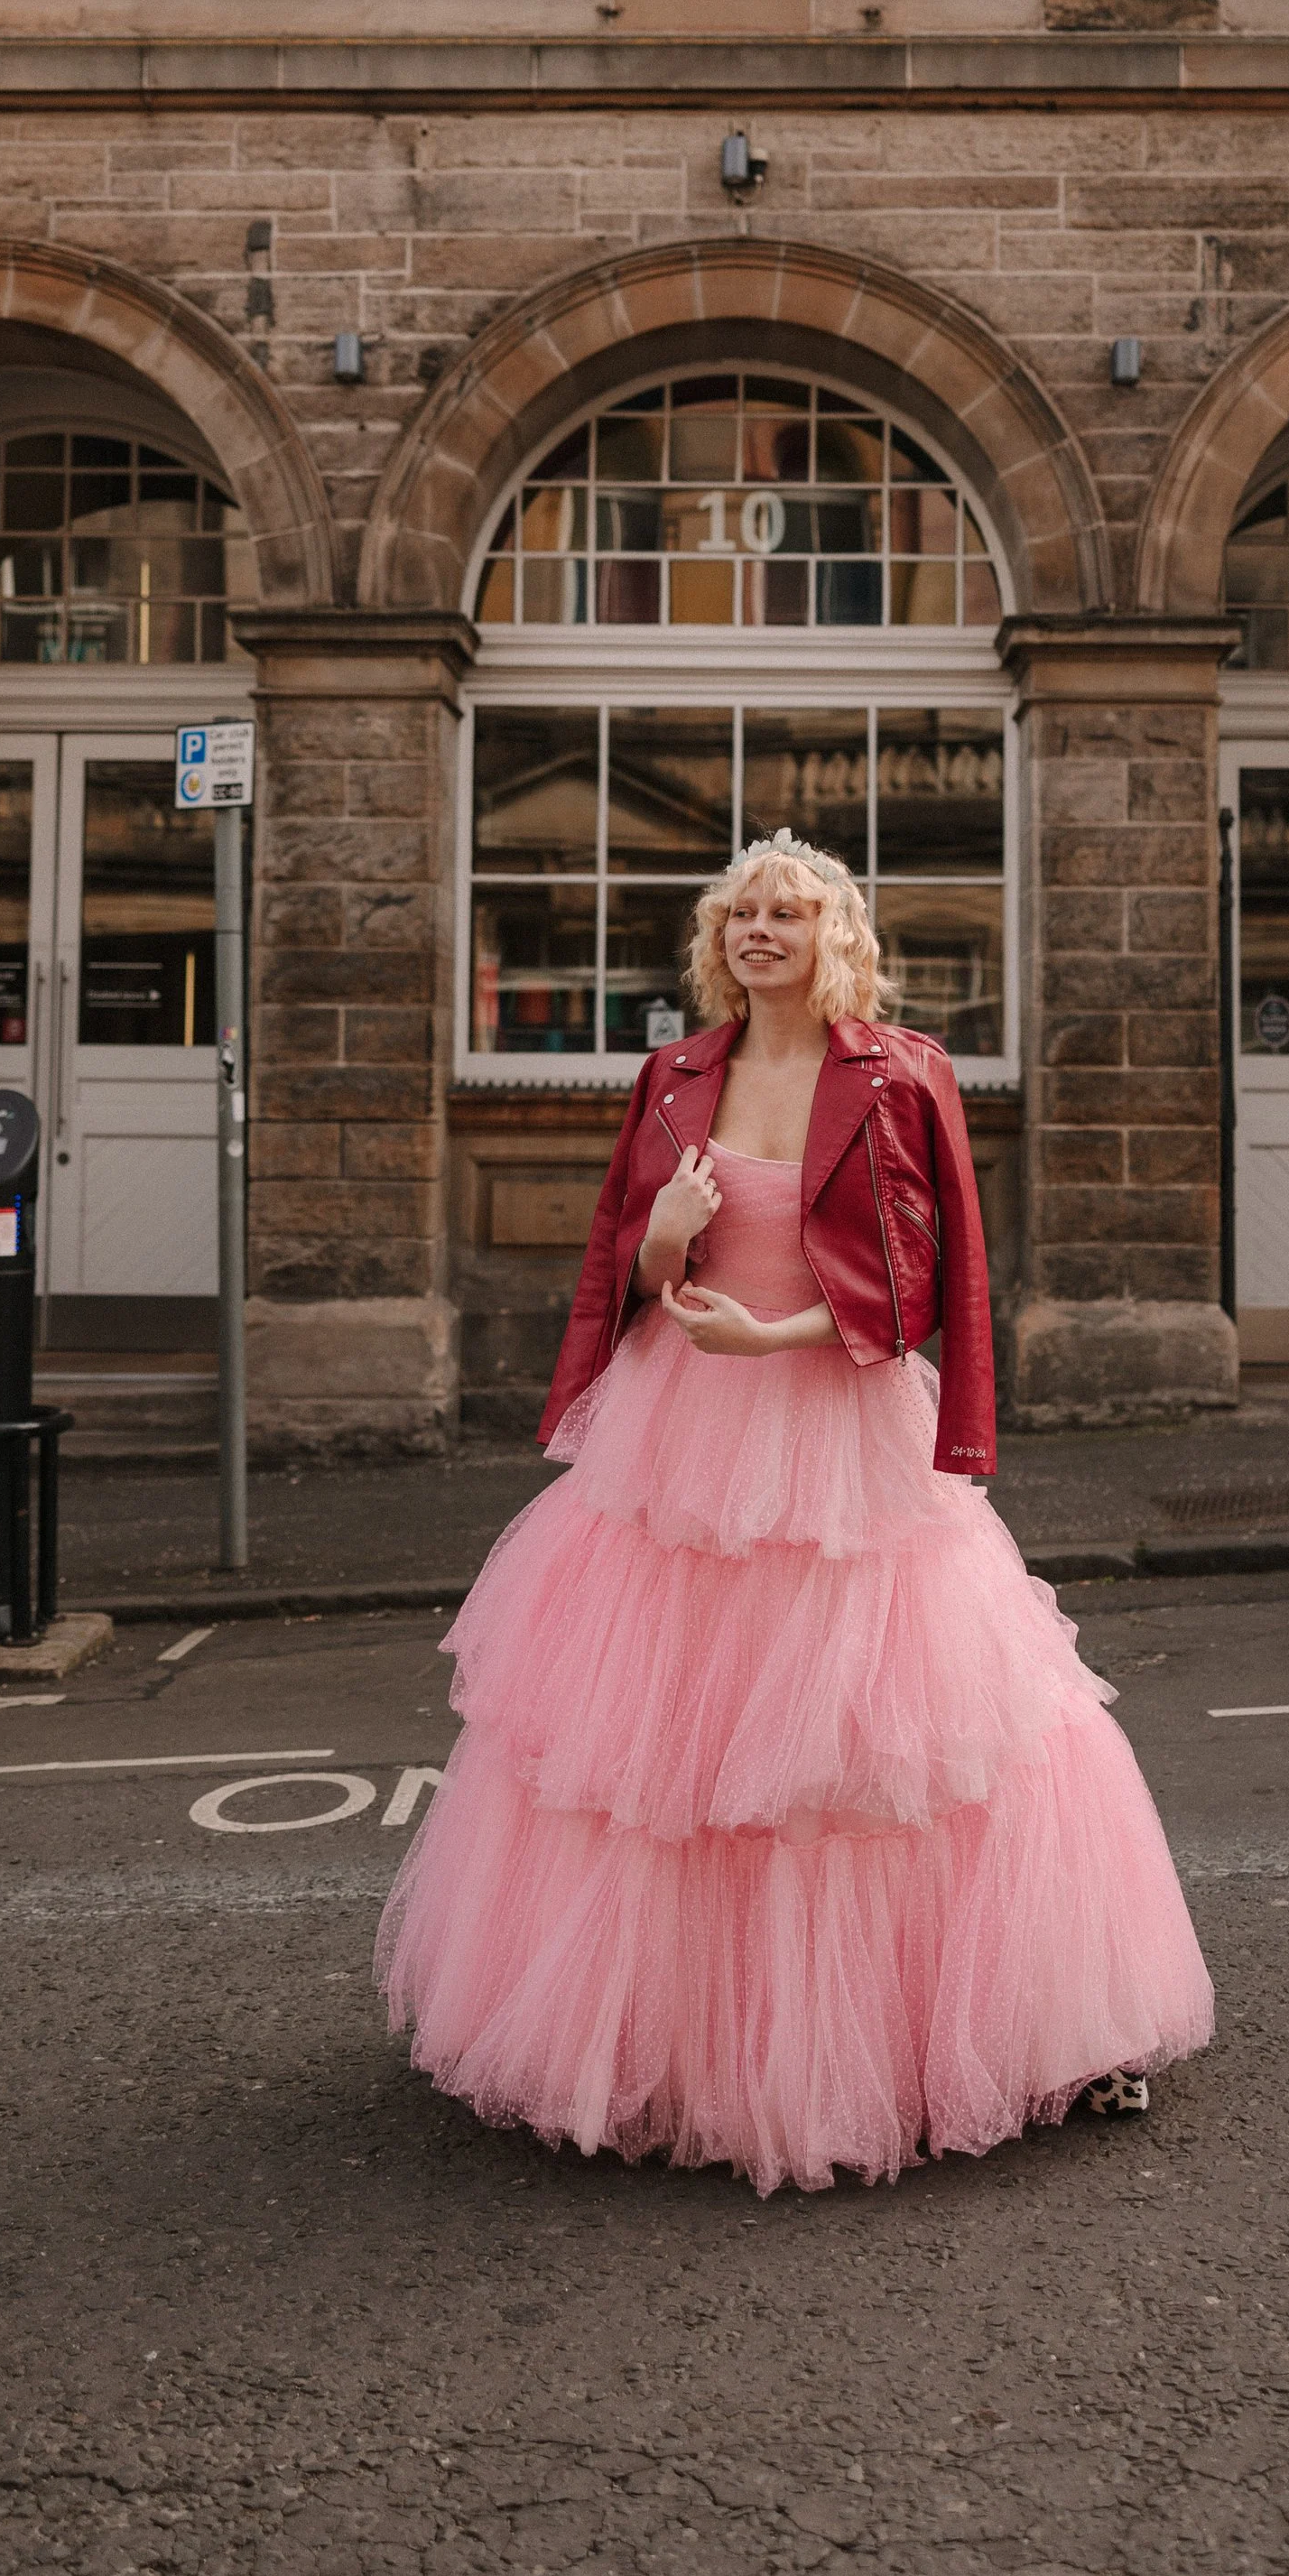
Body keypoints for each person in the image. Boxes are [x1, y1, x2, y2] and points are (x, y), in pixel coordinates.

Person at [376, 828, 1213, 2192]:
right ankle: (681, 2047)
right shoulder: (674, 1076)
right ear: (718, 940)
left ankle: (1007, 2026)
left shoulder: (899, 1072)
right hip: (681, 1431)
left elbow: (930, 1280)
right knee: (669, 1755)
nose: (763, 927)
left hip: (831, 1420)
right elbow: (633, 1263)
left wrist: (777, 1338)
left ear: (839, 936)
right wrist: (670, 1233)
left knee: (883, 1746)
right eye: (743, 911)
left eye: (791, 909)